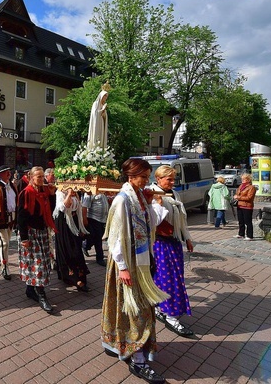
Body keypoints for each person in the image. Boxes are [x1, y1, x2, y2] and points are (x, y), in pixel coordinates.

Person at [101, 158, 169, 384]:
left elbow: (151, 224)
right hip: (127, 263)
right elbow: (115, 236)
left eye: (148, 177)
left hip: (141, 260)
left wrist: (152, 204)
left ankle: (127, 347)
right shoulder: (122, 200)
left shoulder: (139, 197)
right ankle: (137, 359)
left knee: (141, 308)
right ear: (131, 177)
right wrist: (122, 267)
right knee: (135, 310)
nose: (146, 181)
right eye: (144, 177)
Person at [149, 166, 194, 338]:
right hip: (160, 243)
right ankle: (170, 315)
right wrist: (159, 205)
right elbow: (153, 222)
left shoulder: (174, 194)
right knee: (167, 278)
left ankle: (163, 308)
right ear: (158, 178)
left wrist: (187, 238)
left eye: (173, 179)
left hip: (174, 241)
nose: (172, 182)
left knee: (174, 277)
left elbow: (182, 219)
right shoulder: (153, 194)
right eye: (169, 179)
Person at [17, 166, 56, 313]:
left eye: (42, 176)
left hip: (42, 231)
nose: (42, 179)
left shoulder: (44, 192)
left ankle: (30, 290)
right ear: (31, 177)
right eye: (38, 177)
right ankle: (42, 295)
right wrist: (24, 238)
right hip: (30, 233)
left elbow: (49, 210)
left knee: (42, 262)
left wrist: (52, 195)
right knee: (37, 265)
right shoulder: (26, 193)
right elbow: (21, 217)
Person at [53, 188, 90, 291]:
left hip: (74, 222)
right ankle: (73, 278)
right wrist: (68, 194)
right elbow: (62, 208)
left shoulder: (76, 192)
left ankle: (80, 277)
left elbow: (79, 208)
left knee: (77, 249)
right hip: (63, 223)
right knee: (67, 250)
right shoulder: (60, 192)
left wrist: (81, 225)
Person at [81, 191, 109, 266]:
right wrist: (84, 219)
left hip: (103, 219)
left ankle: (85, 246)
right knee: (98, 239)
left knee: (97, 237)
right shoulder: (90, 192)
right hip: (93, 218)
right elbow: (84, 207)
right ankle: (100, 258)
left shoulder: (102, 191)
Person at [86, 84, 110, 150]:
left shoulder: (103, 105)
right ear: (101, 96)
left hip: (101, 124)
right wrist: (103, 109)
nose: (105, 98)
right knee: (96, 138)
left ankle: (101, 150)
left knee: (101, 139)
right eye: (104, 96)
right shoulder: (96, 104)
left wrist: (104, 113)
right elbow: (95, 114)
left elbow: (105, 118)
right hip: (96, 125)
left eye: (106, 96)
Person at [234, 173, 257, 240]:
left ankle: (250, 235)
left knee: (248, 221)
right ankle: (241, 234)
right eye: (242, 179)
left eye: (244, 179)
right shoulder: (241, 186)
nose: (242, 180)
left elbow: (249, 197)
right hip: (240, 205)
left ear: (248, 180)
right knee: (241, 221)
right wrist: (237, 197)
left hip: (247, 206)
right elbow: (237, 193)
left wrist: (238, 197)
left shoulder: (251, 187)